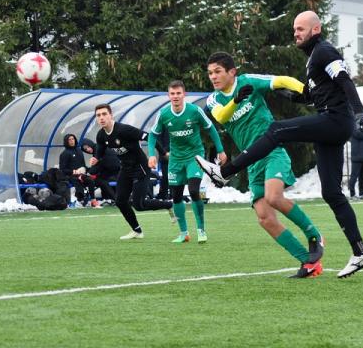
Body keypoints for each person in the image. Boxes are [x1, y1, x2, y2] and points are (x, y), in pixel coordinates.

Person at [196, 11, 363, 278]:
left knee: (276, 131)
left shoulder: (324, 51)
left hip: (336, 121)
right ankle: (359, 252)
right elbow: (314, 94)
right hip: (328, 128)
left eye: (300, 29)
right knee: (331, 193)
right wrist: (300, 96)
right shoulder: (313, 60)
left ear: (316, 29)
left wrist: (360, 115)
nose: (296, 34)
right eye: (294, 29)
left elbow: (344, 80)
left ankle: (225, 172)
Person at [203, 52, 324, 278]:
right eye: (210, 73)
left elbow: (279, 81)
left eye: (218, 71)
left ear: (232, 72)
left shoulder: (248, 81)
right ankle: (308, 262)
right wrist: (237, 100)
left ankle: (315, 235)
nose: (213, 77)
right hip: (251, 161)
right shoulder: (214, 99)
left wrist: (304, 90)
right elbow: (220, 116)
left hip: (272, 151)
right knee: (264, 218)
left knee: (273, 197)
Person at [148, 80, 226, 244]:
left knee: (193, 190)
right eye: (172, 93)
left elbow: (211, 127)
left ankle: (201, 230)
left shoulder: (195, 111)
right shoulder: (163, 114)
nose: (175, 96)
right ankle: (184, 233)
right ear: (168, 95)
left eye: (178, 93)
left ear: (184, 94)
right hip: (175, 160)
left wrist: (220, 150)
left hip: (194, 157)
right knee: (175, 197)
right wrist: (151, 154)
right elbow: (152, 134)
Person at [90, 104, 173, 239]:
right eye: (98, 115)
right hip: (125, 169)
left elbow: (150, 137)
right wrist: (96, 158)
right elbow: (100, 147)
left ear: (111, 115)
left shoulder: (124, 130)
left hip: (140, 167)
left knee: (138, 205)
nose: (101, 118)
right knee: (120, 201)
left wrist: (162, 153)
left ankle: (169, 204)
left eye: (104, 114)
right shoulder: (101, 135)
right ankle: (137, 231)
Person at [59, 133, 99, 207]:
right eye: (69, 140)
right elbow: (62, 169)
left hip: (82, 174)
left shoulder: (79, 151)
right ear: (66, 141)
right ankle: (79, 200)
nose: (72, 141)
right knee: (77, 181)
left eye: (73, 139)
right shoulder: (64, 154)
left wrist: (85, 169)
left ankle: (93, 200)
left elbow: (82, 164)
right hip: (71, 176)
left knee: (90, 180)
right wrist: (74, 172)